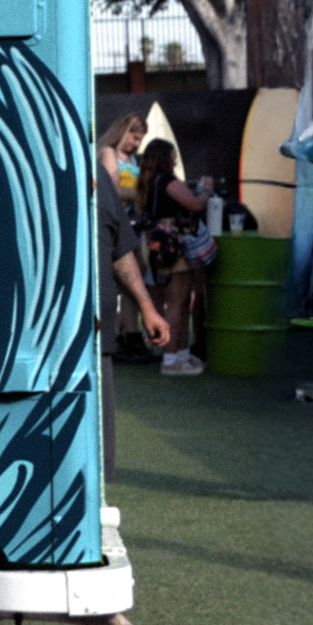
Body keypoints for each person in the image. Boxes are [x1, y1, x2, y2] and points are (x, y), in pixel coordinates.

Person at [99, 170, 170, 482]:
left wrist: (146, 307)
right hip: (45, 333)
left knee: (97, 451)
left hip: (95, 337)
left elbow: (119, 250)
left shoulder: (95, 174)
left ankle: (95, 518)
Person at [137, 138, 212, 376]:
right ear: (165, 158)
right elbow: (194, 204)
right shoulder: (167, 181)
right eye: (173, 155)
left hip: (155, 246)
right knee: (177, 304)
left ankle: (181, 355)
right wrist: (206, 189)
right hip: (173, 248)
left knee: (178, 303)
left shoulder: (148, 182)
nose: (176, 159)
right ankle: (170, 360)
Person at [99, 112, 146, 206]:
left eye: (140, 140)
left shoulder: (132, 158)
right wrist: (144, 196)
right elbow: (113, 190)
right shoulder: (108, 153)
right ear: (124, 132)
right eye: (135, 138)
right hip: (112, 215)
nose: (137, 144)